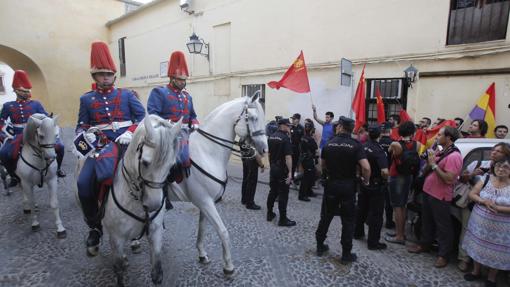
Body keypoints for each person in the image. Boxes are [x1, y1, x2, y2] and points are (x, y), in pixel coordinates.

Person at [76, 41, 146, 250]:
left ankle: (152, 218)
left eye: (108, 73)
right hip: (100, 147)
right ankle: (95, 227)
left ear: (114, 75)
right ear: (94, 76)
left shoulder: (126, 95)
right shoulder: (86, 99)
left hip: (127, 144)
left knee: (151, 174)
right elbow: (81, 125)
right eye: (101, 74)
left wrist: (129, 132)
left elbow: (142, 117)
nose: (105, 77)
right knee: (83, 184)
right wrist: (85, 137)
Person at [315, 116, 370, 264]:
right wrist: (366, 180)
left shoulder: (329, 144)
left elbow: (322, 166)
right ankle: (346, 254)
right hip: (348, 187)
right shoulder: (356, 145)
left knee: (326, 216)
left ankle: (320, 246)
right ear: (351, 129)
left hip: (332, 185)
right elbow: (365, 167)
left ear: (339, 127)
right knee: (348, 221)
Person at [408, 126, 463, 268]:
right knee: (426, 221)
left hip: (440, 196)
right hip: (428, 192)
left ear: (449, 138)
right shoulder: (441, 151)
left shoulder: (454, 156)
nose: (437, 137)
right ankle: (424, 245)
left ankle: (443, 255)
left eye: (440, 134)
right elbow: (428, 169)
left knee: (443, 226)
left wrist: (433, 165)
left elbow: (449, 179)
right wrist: (430, 161)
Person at [0, 70, 66, 186]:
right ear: (16, 90)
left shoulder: (36, 104)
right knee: (4, 153)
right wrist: (4, 135)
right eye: (23, 91)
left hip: (37, 134)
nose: (26, 93)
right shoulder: (8, 106)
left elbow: (46, 118)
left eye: (27, 91)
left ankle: (58, 169)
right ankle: (14, 176)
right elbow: (1, 122)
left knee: (60, 146)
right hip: (18, 135)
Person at [456, 142, 510, 272]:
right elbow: (461, 178)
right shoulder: (481, 163)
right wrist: (472, 174)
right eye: (493, 150)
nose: (493, 152)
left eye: (498, 151)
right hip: (472, 205)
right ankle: (464, 260)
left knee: (494, 244)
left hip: (498, 218)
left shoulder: (506, 169)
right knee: (469, 233)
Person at [354, 125, 389, 250]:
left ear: (368, 134)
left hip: (364, 182)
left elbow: (358, 164)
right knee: (376, 214)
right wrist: (386, 179)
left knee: (361, 208)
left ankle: (357, 233)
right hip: (376, 184)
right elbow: (384, 171)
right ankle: (373, 242)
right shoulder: (379, 150)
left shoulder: (363, 146)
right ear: (380, 135)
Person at [385, 121, 420, 245]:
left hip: (396, 176)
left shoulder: (395, 144)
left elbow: (390, 152)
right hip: (408, 176)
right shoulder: (418, 144)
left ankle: (399, 236)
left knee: (397, 206)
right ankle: (401, 232)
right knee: (403, 205)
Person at [266, 118, 295, 227]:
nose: (289, 128)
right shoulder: (285, 138)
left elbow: (269, 154)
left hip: (273, 167)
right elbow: (288, 157)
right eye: (288, 126)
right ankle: (283, 219)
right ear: (282, 125)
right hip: (282, 169)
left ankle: (269, 214)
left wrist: (271, 165)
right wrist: (290, 172)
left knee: (272, 191)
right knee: (283, 194)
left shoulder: (272, 136)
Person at [379, 122, 395, 229]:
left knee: (375, 199)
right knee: (388, 200)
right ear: (390, 131)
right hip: (389, 173)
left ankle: (372, 219)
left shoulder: (376, 142)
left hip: (376, 173)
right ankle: (389, 222)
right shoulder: (394, 143)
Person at [298, 120, 318, 201]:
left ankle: (309, 191)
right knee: (306, 178)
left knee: (311, 175)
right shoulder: (310, 139)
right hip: (308, 159)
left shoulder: (303, 137)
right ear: (311, 130)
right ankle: (302, 195)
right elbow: (315, 148)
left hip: (304, 158)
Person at [241, 142, 265, 210]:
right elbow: (257, 155)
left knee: (245, 180)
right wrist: (262, 165)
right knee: (252, 183)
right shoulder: (256, 139)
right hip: (252, 162)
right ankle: (250, 203)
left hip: (245, 159)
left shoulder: (243, 138)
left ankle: (244, 199)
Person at [290, 113, 304, 183]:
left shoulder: (301, 128)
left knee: (296, 164)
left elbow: (302, 140)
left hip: (298, 149)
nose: (292, 120)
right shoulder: (290, 127)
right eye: (292, 119)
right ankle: (291, 177)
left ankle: (296, 178)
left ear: (298, 120)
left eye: (294, 119)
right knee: (290, 163)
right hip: (290, 147)